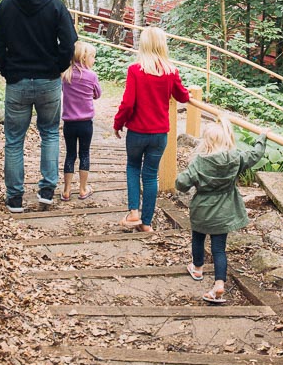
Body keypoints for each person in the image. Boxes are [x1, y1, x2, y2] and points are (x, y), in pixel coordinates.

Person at [0, 0, 77, 212]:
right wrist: (57, 67)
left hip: (16, 81)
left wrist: (6, 70)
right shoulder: (56, 8)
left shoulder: (6, 6)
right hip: (48, 81)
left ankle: (15, 197)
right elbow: (69, 45)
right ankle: (47, 191)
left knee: (14, 139)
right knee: (49, 133)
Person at [176, 115, 267, 304]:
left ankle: (198, 268)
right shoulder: (236, 158)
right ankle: (219, 285)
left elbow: (182, 183)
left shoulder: (199, 162)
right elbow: (255, 155)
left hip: (202, 210)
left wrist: (186, 184)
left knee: (198, 239)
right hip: (224, 212)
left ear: (206, 142)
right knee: (219, 250)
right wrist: (262, 137)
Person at [114, 26, 190, 233]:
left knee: (132, 167)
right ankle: (146, 223)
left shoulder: (135, 70)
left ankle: (133, 213)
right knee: (150, 176)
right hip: (159, 134)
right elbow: (183, 96)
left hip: (137, 132)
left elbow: (128, 104)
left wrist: (118, 123)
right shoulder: (170, 71)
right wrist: (186, 90)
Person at [61, 40, 102, 202]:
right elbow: (97, 94)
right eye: (92, 57)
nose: (94, 60)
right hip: (85, 123)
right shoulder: (92, 76)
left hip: (69, 124)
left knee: (70, 154)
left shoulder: (66, 75)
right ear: (84, 58)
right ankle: (83, 189)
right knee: (84, 154)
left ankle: (66, 190)